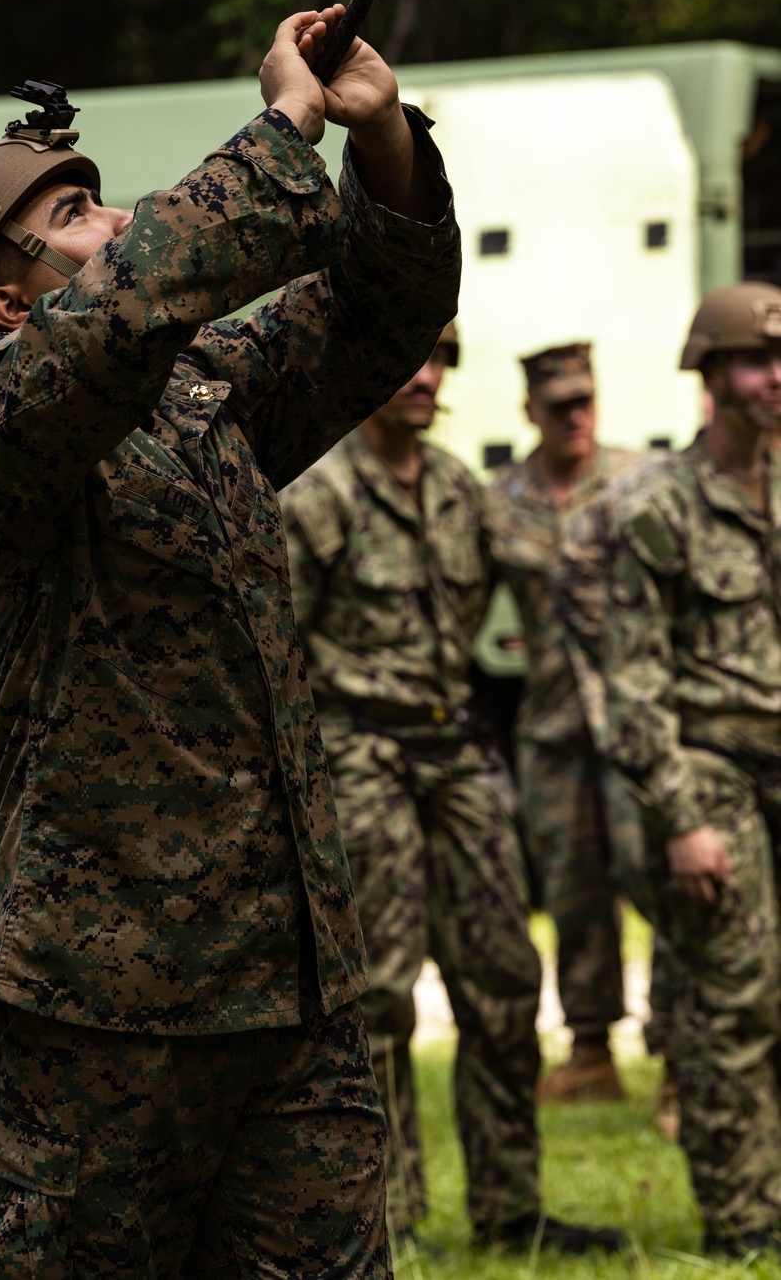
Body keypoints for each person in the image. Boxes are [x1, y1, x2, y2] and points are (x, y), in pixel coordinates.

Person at [0, 7, 461, 1278]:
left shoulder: (200, 404)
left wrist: (379, 146)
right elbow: (127, 309)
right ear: (5, 296)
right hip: (91, 1017)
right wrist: (278, 132)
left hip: (286, 986)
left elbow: (377, 309)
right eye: (76, 220)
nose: (117, 221)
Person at [280, 326, 622, 1256]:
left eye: (440, 361)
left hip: (453, 747)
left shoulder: (461, 492)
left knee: (507, 978)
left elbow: (553, 575)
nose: (426, 376)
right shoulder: (319, 492)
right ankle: (388, 1220)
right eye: (409, 357)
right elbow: (278, 651)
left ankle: (513, 1210)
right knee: (382, 995)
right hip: (359, 755)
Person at [605, 283, 781, 1259]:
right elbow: (631, 679)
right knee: (734, 1003)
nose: (775, 378)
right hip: (711, 773)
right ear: (710, 375)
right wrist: (677, 816)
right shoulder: (658, 503)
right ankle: (744, 1229)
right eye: (755, 361)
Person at [484, 342, 640, 1100]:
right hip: (550, 724)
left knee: (661, 878)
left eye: (585, 399)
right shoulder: (499, 497)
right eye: (559, 405)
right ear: (530, 412)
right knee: (574, 890)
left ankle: (682, 1054)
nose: (575, 414)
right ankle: (591, 1051)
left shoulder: (638, 481)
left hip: (639, 718)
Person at [553, 454, 680, 1138]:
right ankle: (674, 1068)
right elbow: (576, 575)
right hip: (668, 733)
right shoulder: (656, 491)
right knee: (665, 890)